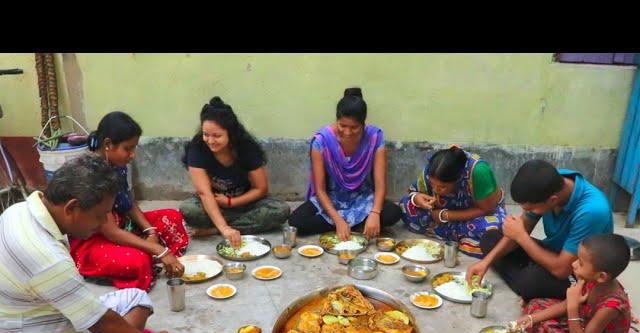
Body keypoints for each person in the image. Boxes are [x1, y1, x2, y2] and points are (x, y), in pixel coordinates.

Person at [0, 155, 181, 333]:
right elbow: (102, 324)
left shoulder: (21, 209)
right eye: (99, 216)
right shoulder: (45, 257)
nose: (102, 224)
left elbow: (97, 318)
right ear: (71, 208)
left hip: (58, 324)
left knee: (137, 297)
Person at [69, 112, 188, 292]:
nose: (132, 155)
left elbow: (128, 203)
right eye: (128, 148)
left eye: (134, 148)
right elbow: (111, 232)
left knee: (171, 217)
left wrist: (149, 230)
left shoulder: (119, 166)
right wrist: (159, 250)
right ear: (108, 144)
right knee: (137, 261)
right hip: (96, 238)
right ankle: (146, 257)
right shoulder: (91, 175)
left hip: (123, 224)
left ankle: (149, 252)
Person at [466, 160, 613, 301]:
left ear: (553, 200)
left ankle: (527, 281)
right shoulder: (552, 181)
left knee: (530, 282)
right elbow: (523, 227)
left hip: (578, 270)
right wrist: (485, 262)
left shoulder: (592, 211)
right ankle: (527, 275)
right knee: (490, 238)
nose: (527, 212)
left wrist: (521, 237)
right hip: (553, 252)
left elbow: (562, 270)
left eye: (530, 209)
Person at [288, 87, 401, 240]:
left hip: (362, 197)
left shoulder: (375, 137)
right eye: (342, 126)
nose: (347, 132)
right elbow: (320, 190)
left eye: (354, 127)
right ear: (337, 120)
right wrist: (337, 220)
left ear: (363, 123)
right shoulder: (321, 141)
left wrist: (374, 213)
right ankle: (354, 225)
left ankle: (358, 223)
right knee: (296, 222)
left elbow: (380, 185)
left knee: (393, 213)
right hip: (331, 198)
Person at [514, 234, 632, 333]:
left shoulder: (612, 305)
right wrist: (531, 318)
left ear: (601, 276)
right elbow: (565, 306)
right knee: (535, 305)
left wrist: (572, 305)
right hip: (581, 323)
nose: (574, 264)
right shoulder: (591, 280)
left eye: (581, 263)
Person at [179, 96, 290, 246]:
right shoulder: (197, 149)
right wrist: (224, 225)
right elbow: (205, 193)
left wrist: (231, 202)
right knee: (188, 210)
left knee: (281, 211)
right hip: (213, 204)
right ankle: (225, 226)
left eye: (217, 136)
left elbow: (261, 188)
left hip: (245, 203)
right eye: (206, 134)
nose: (210, 141)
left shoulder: (246, 148)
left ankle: (214, 230)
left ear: (230, 134)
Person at [399, 145, 505, 257]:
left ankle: (450, 233)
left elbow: (487, 210)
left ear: (458, 178)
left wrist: (444, 215)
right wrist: (417, 198)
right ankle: (462, 237)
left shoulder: (478, 171)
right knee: (406, 205)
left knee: (494, 228)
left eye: (442, 187)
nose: (435, 189)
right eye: (432, 184)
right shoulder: (433, 167)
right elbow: (414, 192)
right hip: (445, 212)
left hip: (476, 213)